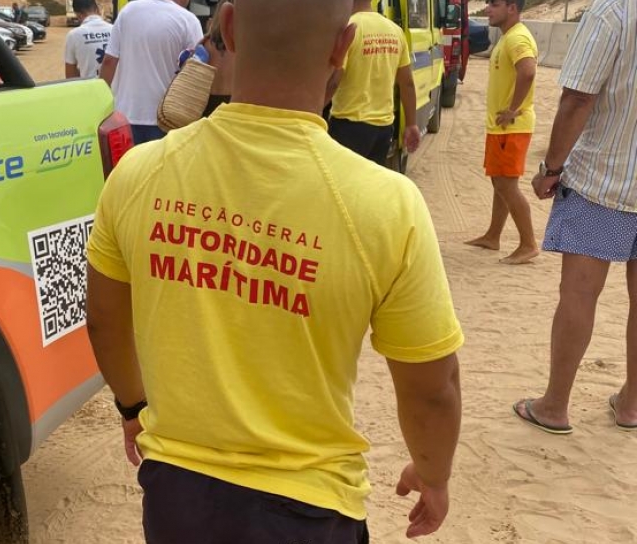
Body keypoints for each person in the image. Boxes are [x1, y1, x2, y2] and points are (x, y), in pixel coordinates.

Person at [85, 0, 463, 541]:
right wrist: (434, 474)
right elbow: (433, 386)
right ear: (342, 47)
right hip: (309, 507)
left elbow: (104, 319)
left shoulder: (140, 172)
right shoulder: (387, 204)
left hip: (178, 497)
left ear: (230, 28)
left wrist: (132, 407)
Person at [513, 0, 637, 435]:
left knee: (580, 294)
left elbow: (579, 97)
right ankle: (631, 404)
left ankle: (554, 405)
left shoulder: (613, 12)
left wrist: (551, 168)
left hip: (605, 180)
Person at [464, 0, 538, 265]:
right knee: (499, 182)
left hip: (511, 127)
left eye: (494, 4)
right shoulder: (508, 37)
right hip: (502, 128)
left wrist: (513, 109)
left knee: (507, 184)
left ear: (512, 8)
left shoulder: (517, 38)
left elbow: (527, 72)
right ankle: (493, 236)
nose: (487, 10)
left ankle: (528, 244)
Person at [326, 0, 420, 165]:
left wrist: (313, 112)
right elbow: (407, 83)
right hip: (383, 129)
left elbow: (334, 81)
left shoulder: (349, 28)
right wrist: (411, 124)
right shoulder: (395, 31)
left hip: (348, 126)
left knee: (345, 185)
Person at [100, 0, 203, 144]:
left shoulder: (128, 11)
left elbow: (109, 62)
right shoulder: (188, 20)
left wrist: (101, 103)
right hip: (167, 120)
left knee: (128, 166)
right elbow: (198, 72)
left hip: (125, 117)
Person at [64, 0, 113, 79]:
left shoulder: (73, 35)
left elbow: (70, 76)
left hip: (90, 89)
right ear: (97, 9)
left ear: (77, 14)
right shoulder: (114, 29)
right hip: (115, 89)